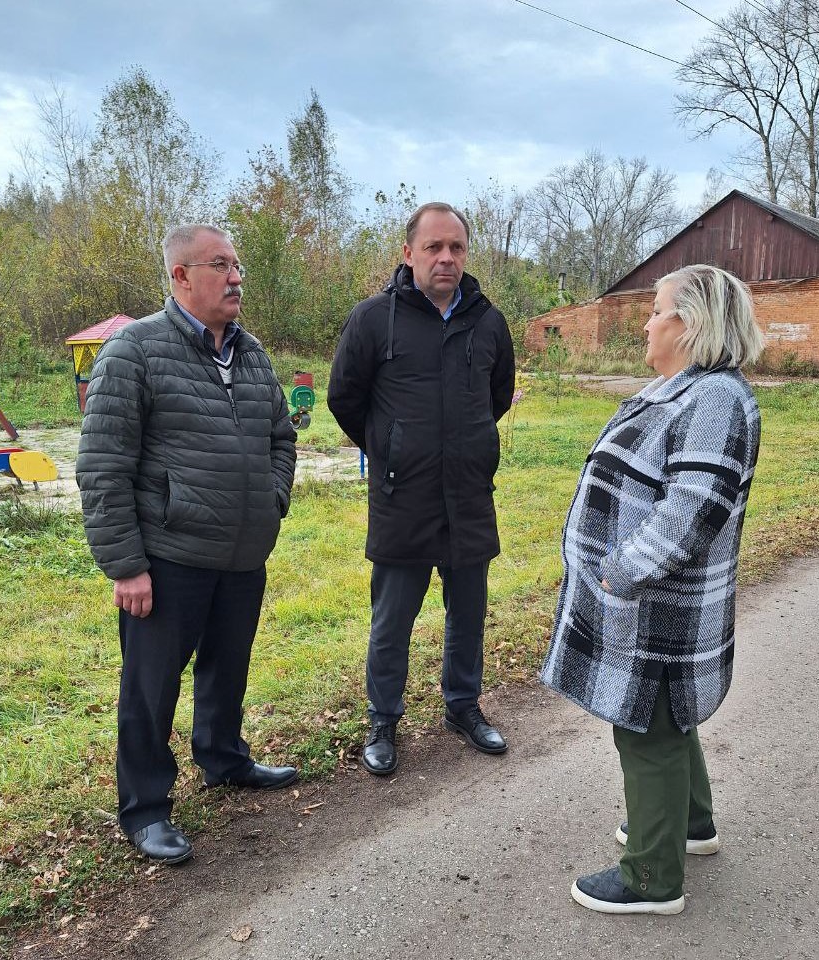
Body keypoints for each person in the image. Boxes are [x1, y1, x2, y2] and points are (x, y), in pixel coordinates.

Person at [541, 264, 764, 915]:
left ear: (690, 323)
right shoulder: (687, 389)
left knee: (648, 729)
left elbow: (692, 509)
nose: (646, 320)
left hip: (661, 605)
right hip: (650, 602)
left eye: (657, 309)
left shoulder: (715, 399)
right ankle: (690, 824)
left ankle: (651, 876)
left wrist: (623, 570)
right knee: (667, 720)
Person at [76, 224, 298, 864]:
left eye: (238, 266)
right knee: (150, 688)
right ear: (180, 276)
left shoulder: (251, 354)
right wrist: (126, 565)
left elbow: (281, 437)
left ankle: (224, 759)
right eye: (220, 265)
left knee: (228, 668)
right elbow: (102, 465)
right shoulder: (134, 352)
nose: (235, 278)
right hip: (169, 558)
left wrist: (271, 499)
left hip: (243, 553)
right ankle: (145, 808)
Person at [327, 202, 515, 775]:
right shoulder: (373, 319)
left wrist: (467, 445)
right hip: (400, 498)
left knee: (469, 615)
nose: (446, 258)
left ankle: (463, 707)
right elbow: (344, 398)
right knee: (392, 621)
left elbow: (498, 396)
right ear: (408, 254)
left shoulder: (489, 323)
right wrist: (392, 447)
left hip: (467, 496)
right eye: (433, 247)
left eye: (456, 248)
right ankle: (383, 720)